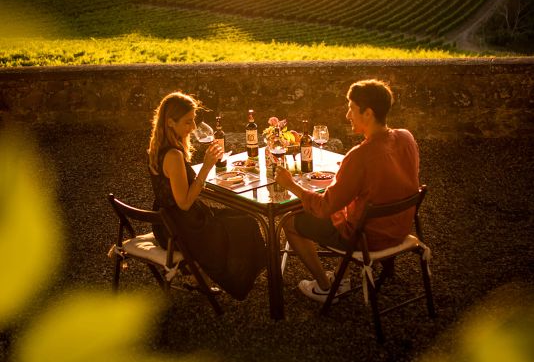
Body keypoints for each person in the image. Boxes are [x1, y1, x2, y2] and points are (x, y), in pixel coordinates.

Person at [275, 79, 420, 303]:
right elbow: (387, 180)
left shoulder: (360, 155)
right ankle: (346, 274)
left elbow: (324, 208)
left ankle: (324, 287)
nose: (347, 115)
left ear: (368, 113)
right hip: (399, 229)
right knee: (343, 206)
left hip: (366, 239)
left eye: (351, 108)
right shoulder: (406, 137)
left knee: (289, 222)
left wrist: (290, 185)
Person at [148, 91, 266, 300]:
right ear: (170, 122)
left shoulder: (157, 147)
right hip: (180, 229)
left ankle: (214, 275)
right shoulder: (173, 155)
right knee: (245, 224)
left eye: (194, 121)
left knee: (239, 216)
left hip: (166, 223)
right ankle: (235, 277)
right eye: (188, 122)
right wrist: (206, 167)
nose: (193, 128)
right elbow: (184, 203)